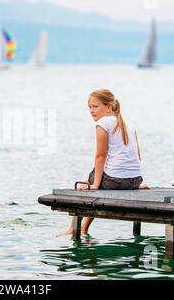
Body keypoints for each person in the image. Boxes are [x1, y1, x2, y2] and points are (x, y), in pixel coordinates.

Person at [61, 89, 149, 237]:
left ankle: (74, 228)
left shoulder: (103, 123)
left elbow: (100, 156)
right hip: (135, 181)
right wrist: (133, 182)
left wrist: (95, 184)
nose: (91, 111)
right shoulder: (130, 124)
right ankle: (83, 228)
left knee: (85, 184)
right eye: (89, 107)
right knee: (96, 178)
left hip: (116, 181)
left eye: (95, 106)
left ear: (108, 107)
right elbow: (137, 156)